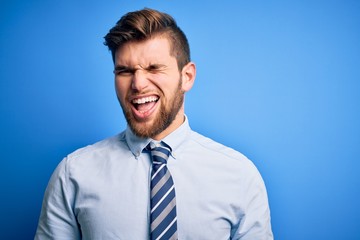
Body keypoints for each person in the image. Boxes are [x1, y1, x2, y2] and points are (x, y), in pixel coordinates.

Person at [35, 8, 273, 240]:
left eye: (154, 68)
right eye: (125, 71)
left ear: (186, 76)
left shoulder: (239, 175)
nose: (138, 84)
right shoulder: (73, 174)